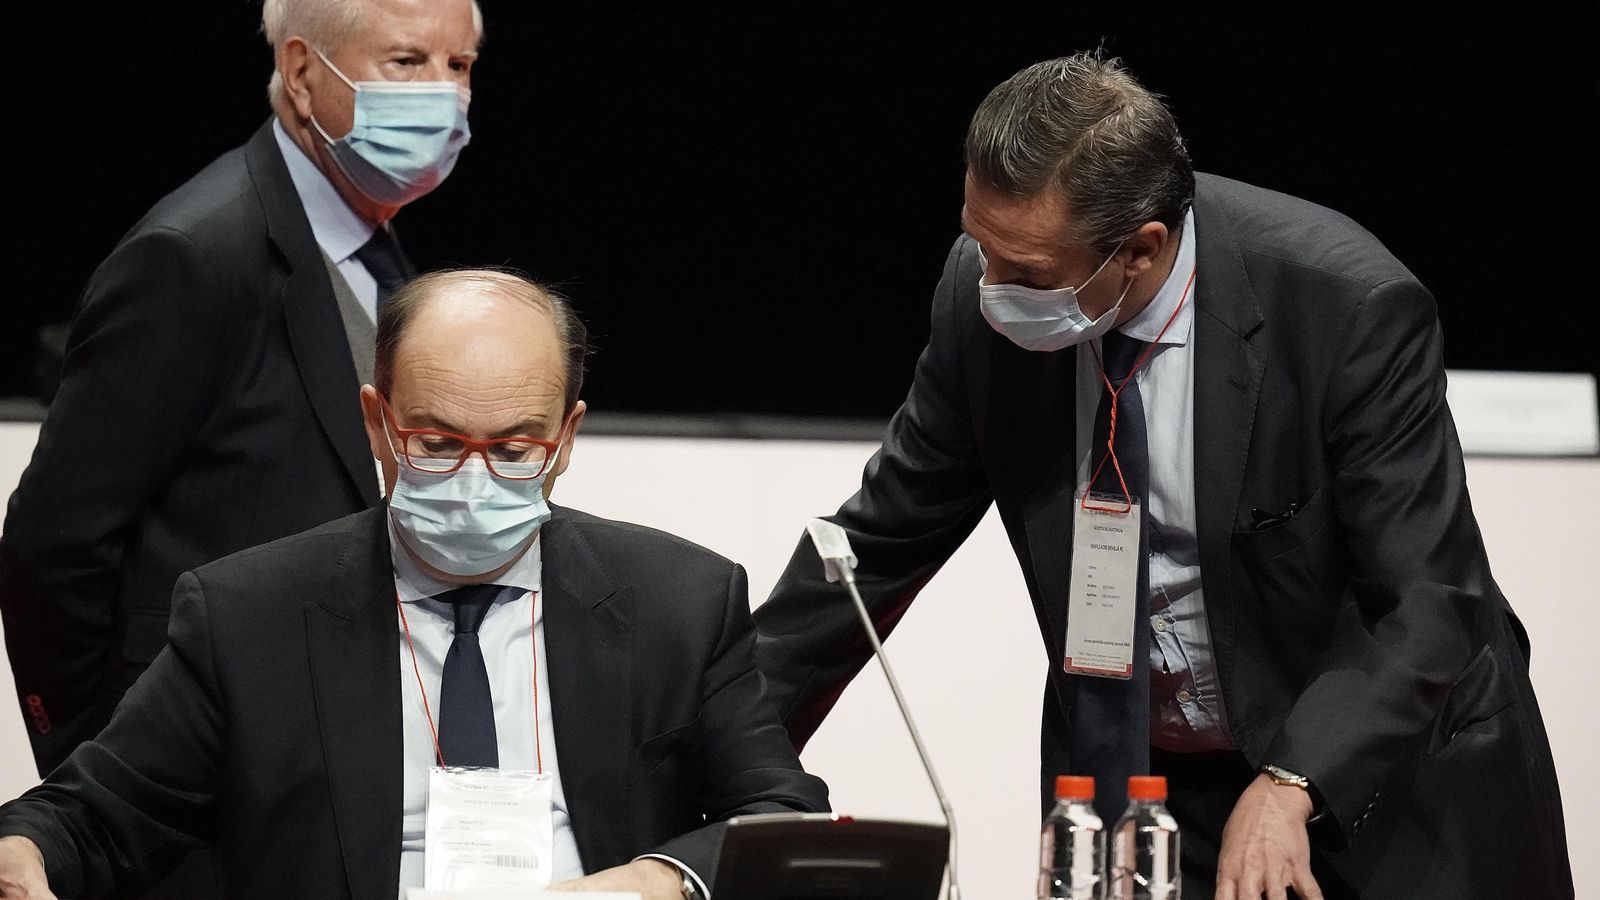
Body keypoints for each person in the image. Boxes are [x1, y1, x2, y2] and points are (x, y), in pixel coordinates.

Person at [754, 53, 1571, 900]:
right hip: (1149, 789)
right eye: (979, 245)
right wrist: (723, 742)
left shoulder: (1344, 306)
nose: (991, 287)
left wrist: (1298, 780)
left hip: (1384, 778)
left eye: (1027, 274)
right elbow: (880, 541)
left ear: (1141, 248)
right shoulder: (981, 300)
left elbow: (1431, 600)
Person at [0, 270, 829, 899]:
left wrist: (653, 879)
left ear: (567, 437)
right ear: (375, 422)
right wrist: (24, 854)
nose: (475, 480)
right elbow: (83, 817)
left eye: (513, 452)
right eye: (435, 443)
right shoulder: (247, 617)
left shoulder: (678, 602)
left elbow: (781, 820)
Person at [0, 0, 481, 780]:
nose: (445, 94)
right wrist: (101, 774)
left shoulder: (382, 249)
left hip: (339, 770)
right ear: (300, 72)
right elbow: (52, 543)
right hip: (200, 790)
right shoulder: (194, 255)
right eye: (407, 63)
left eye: (459, 67)